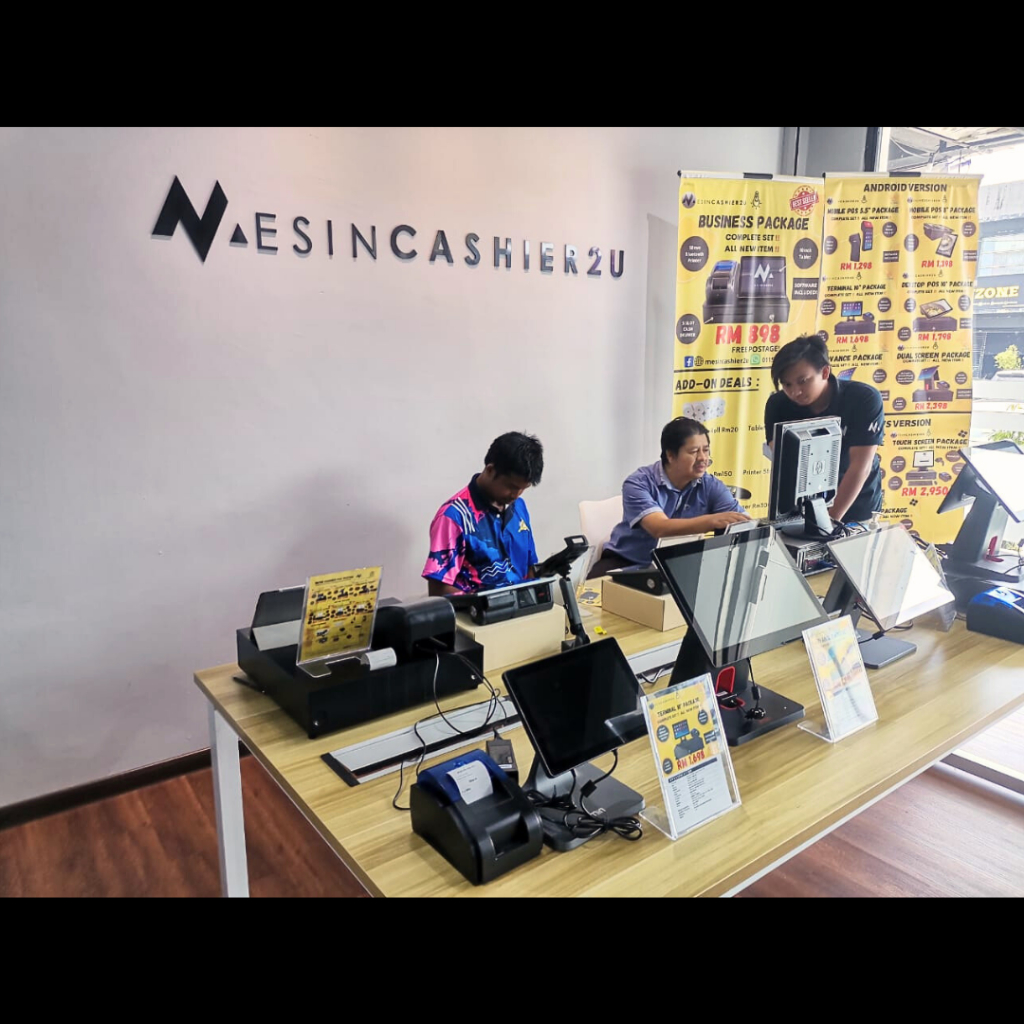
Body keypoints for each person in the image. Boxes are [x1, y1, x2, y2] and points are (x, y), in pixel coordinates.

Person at [590, 418, 750, 578]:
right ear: (671, 455)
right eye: (694, 451)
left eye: (706, 450)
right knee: (590, 589)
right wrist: (711, 521)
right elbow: (659, 528)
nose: (703, 458)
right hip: (627, 561)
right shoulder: (638, 483)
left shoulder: (711, 485)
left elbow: (742, 522)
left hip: (677, 564)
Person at [765, 336, 885, 524]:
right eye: (787, 384)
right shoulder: (778, 405)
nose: (795, 392)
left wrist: (829, 521)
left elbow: (860, 466)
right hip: (799, 509)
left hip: (857, 505)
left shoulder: (864, 399)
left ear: (825, 372)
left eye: (803, 381)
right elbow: (784, 464)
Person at [424, 432, 544, 596]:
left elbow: (529, 568)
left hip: (523, 607)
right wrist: (487, 603)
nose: (516, 495)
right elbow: (439, 591)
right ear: (490, 470)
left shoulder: (519, 507)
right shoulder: (453, 517)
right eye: (511, 487)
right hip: (476, 611)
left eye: (523, 489)